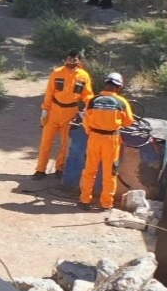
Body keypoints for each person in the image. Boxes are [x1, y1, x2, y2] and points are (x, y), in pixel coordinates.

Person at [79, 73, 136, 210]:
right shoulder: (121, 102)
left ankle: (85, 200)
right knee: (109, 173)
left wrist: (91, 132)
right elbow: (128, 122)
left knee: (89, 170)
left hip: (94, 138)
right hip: (111, 140)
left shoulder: (93, 100)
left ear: (105, 84)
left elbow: (85, 120)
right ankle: (106, 203)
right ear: (119, 87)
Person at [34, 51, 93, 179]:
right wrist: (45, 109)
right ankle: (40, 170)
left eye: (74, 60)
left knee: (65, 144)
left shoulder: (84, 76)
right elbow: (49, 92)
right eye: (69, 59)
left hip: (70, 112)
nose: (71, 62)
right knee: (46, 141)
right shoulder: (57, 73)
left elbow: (87, 94)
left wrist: (89, 107)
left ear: (79, 61)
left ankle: (59, 168)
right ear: (65, 60)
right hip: (54, 111)